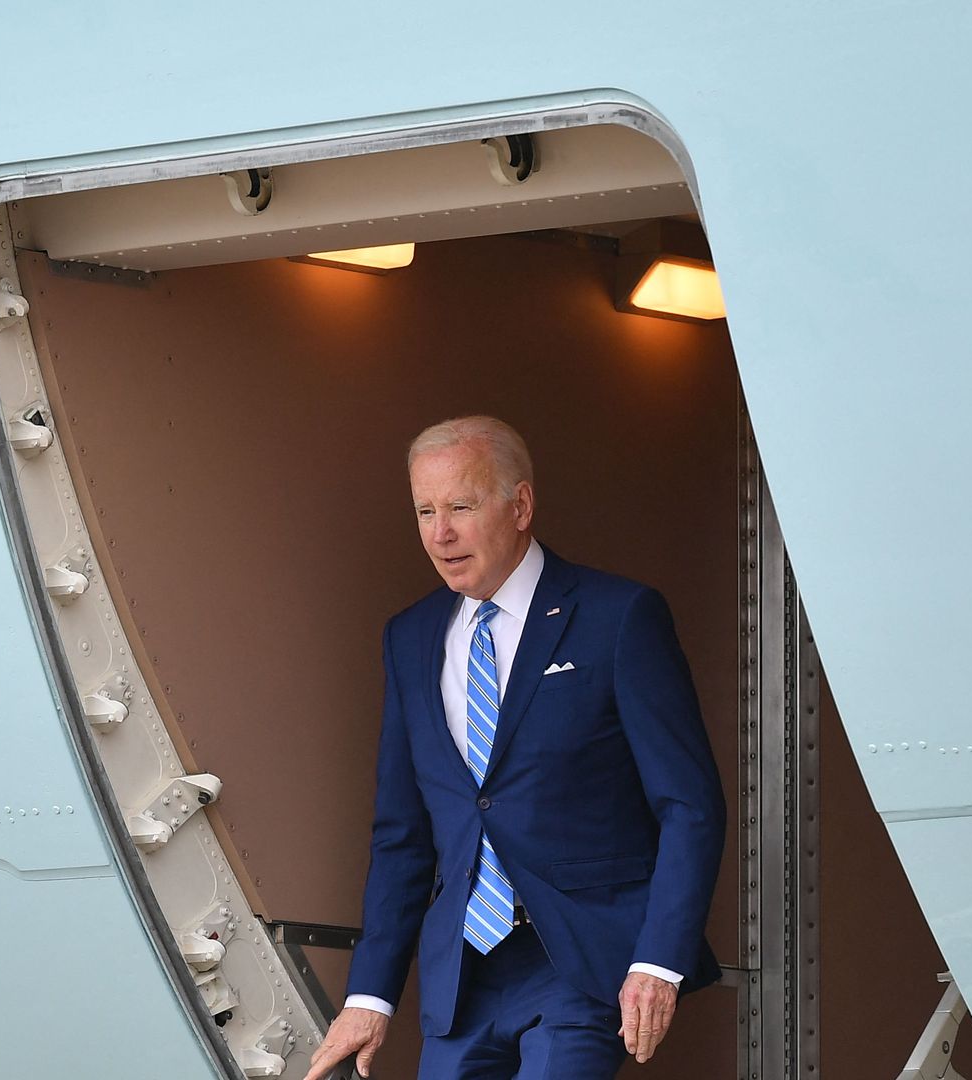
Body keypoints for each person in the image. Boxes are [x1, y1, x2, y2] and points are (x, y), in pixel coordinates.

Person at [304, 416, 725, 1080]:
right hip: (462, 980)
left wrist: (657, 961)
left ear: (521, 505)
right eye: (425, 511)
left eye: (461, 508)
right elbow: (402, 835)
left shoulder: (618, 616)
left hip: (580, 965)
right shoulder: (409, 637)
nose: (440, 533)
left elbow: (688, 804)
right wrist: (370, 995)